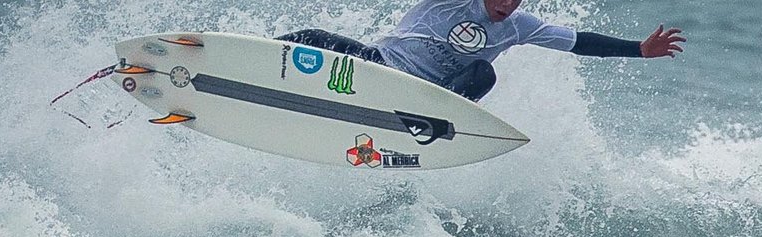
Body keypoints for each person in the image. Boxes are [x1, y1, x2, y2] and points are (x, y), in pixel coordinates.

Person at [277, 0, 685, 102]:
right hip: (380, 66)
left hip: (428, 95)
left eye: (516, 0)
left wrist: (638, 50)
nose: (507, 6)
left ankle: (429, 120)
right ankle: (228, 59)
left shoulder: (519, 26)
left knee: (484, 74)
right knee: (310, 36)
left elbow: (578, 41)